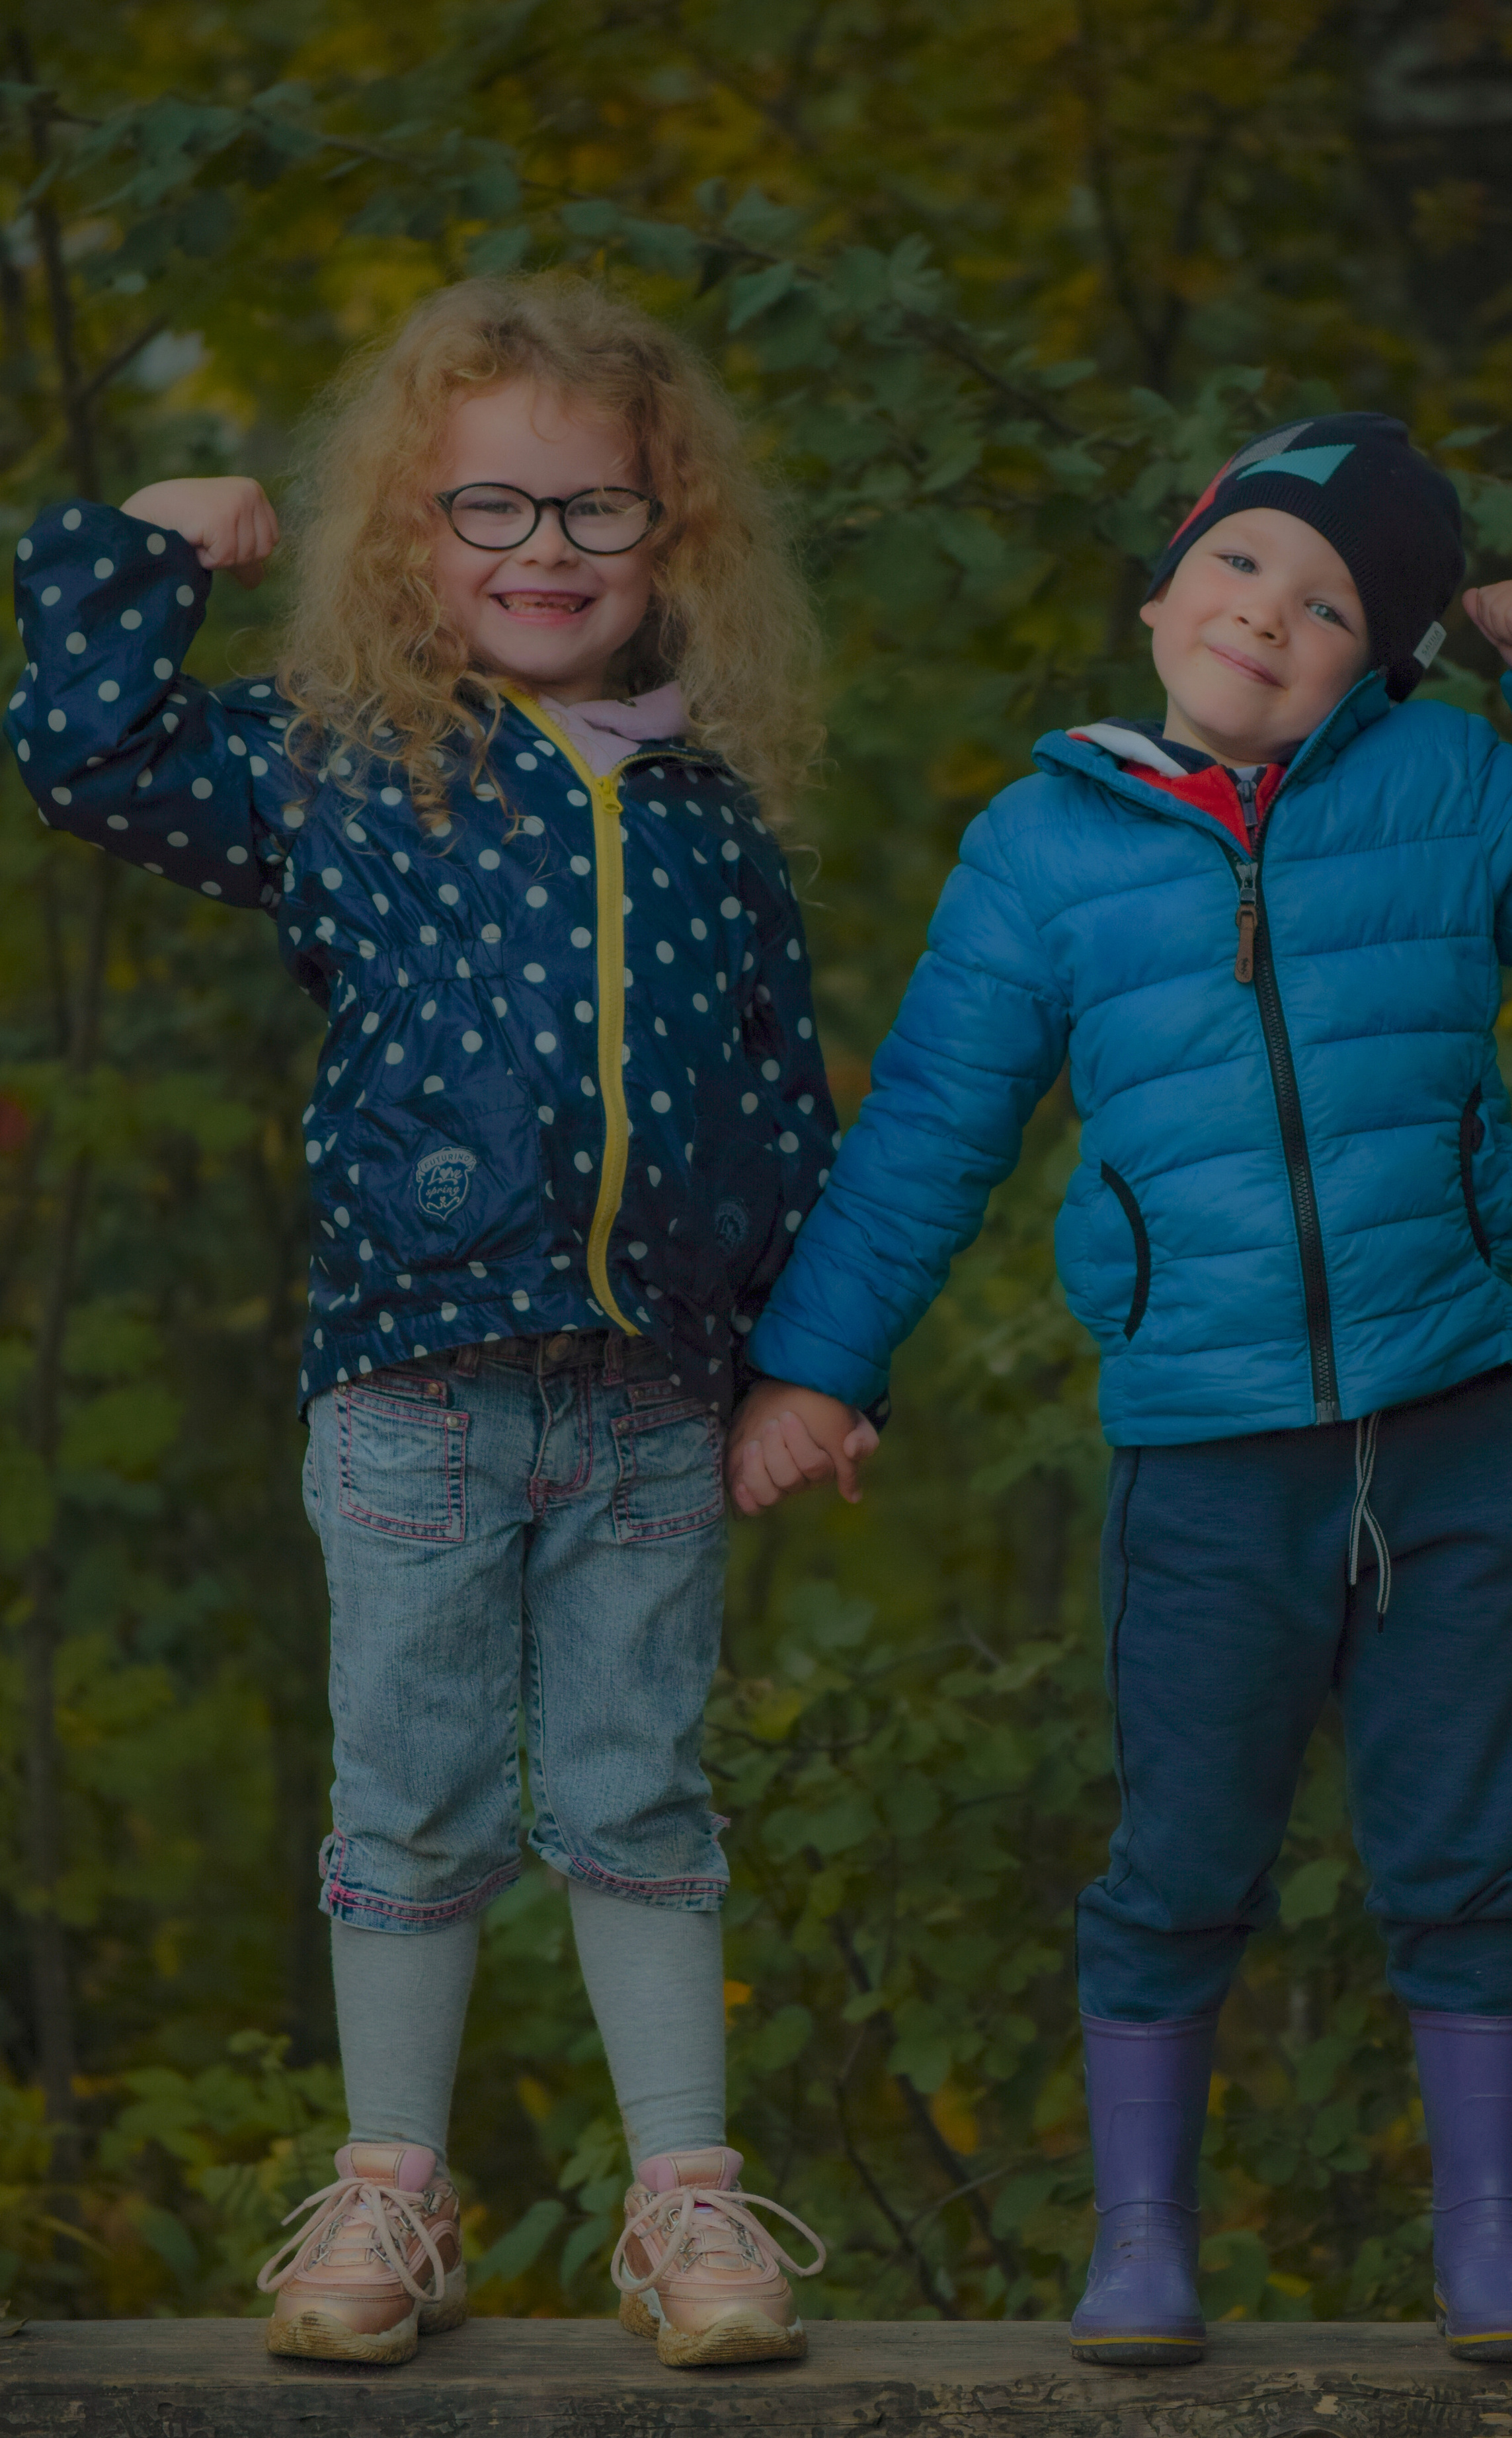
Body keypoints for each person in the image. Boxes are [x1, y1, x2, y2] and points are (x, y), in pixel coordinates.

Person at [727, 413, 1512, 2366]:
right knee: (1180, 1859)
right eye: (1242, 562)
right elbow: (927, 1134)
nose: (1269, 613)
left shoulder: (1447, 783)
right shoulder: (1044, 849)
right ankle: (1145, 2243)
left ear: (1382, 661)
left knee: (1466, 1853)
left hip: (1449, 1429)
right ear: (1167, 587)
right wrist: (816, 1369)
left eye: (1332, 606)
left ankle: (1489, 2246)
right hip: (1208, 1459)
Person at [4, 274, 832, 2371]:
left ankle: (686, 2198)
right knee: (412, 1798)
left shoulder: (712, 816)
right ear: (410, 531)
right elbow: (83, 751)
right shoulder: (342, 768)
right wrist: (146, 546)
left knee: (640, 1790)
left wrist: (811, 1367)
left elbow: (781, 1106)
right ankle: (393, 2190)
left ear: (671, 529)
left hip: (655, 1395)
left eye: (596, 508)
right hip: (412, 1389)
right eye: (491, 506)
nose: (545, 549)